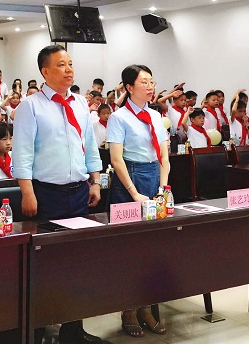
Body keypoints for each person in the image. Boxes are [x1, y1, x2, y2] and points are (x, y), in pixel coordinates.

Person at [13, 45, 104, 344]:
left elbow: (89, 145)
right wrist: (27, 192)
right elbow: (22, 153)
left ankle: (73, 330)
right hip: (46, 194)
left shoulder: (80, 103)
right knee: (45, 264)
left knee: (76, 262)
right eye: (61, 64)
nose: (69, 69)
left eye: (70, 64)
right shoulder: (31, 106)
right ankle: (37, 328)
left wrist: (94, 181)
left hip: (79, 193)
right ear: (45, 71)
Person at [106, 65, 170, 337]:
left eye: (152, 81)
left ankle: (146, 307)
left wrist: (163, 188)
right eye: (144, 82)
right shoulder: (119, 117)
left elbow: (164, 156)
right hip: (129, 180)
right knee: (130, 249)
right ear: (129, 87)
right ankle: (128, 309)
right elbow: (116, 158)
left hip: (154, 176)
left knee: (151, 247)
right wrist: (133, 193)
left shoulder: (155, 115)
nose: (150, 86)